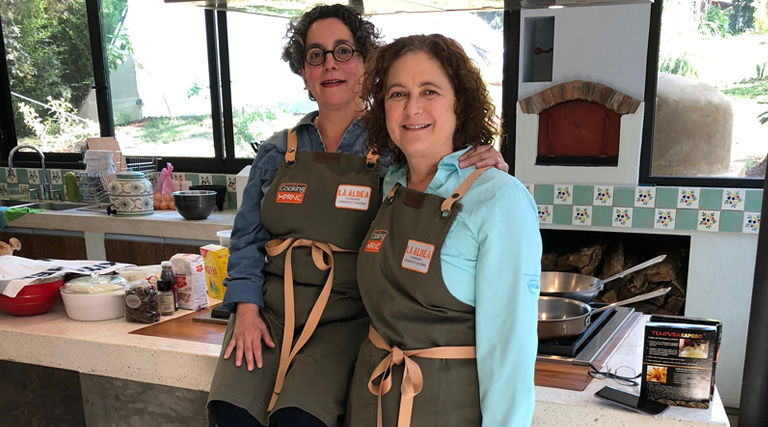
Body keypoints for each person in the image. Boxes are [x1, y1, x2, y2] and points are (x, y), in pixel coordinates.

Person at [207, 6, 509, 427]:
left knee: (299, 420)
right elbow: (246, 239)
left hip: (348, 318)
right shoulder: (277, 150)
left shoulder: (396, 151)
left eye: (343, 51)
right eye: (316, 55)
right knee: (230, 412)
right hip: (268, 312)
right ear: (304, 72)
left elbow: (439, 177)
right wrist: (245, 309)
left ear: (366, 65)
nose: (329, 64)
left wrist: (480, 163)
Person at [346, 34, 541, 427]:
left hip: (448, 411)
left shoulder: (499, 198)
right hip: (371, 404)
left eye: (429, 91)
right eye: (397, 94)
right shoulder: (390, 186)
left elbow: (509, 348)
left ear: (460, 103)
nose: (412, 108)